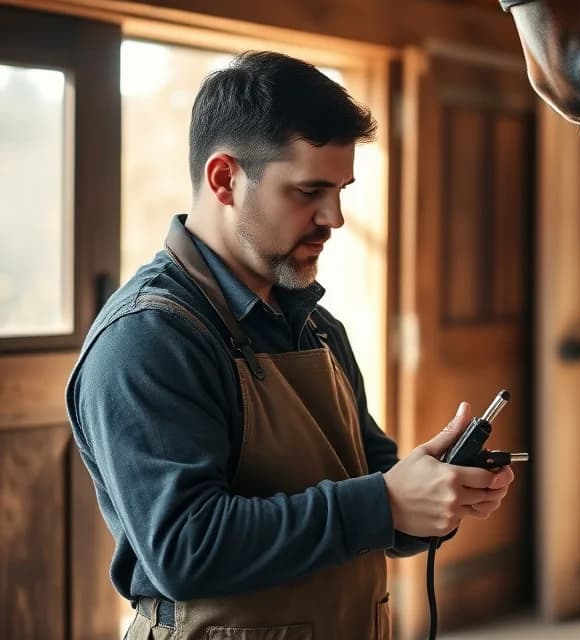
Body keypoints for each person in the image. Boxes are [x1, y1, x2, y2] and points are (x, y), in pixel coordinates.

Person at [65, 50, 515, 639]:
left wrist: (437, 491)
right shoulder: (147, 337)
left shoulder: (320, 327)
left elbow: (374, 483)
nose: (335, 217)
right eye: (309, 191)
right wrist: (383, 501)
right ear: (224, 179)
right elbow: (184, 549)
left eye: (342, 190)